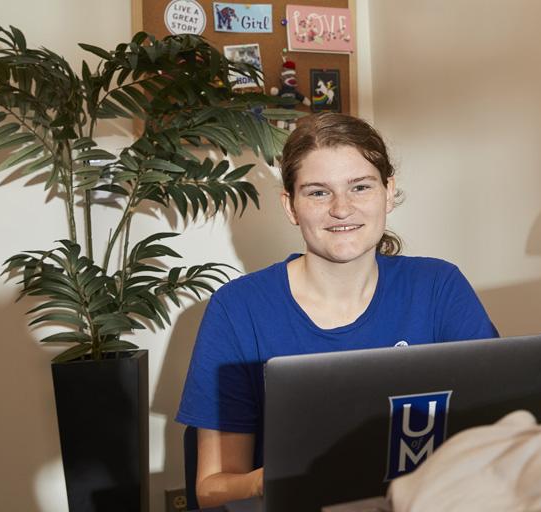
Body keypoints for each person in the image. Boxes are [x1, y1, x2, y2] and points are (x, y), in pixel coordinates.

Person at [175, 113, 499, 507]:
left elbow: (494, 435)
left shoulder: (439, 287)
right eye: (318, 193)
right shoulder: (237, 309)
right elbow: (212, 488)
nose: (341, 209)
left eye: (360, 187)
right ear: (291, 206)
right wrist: (281, 478)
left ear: (387, 191)